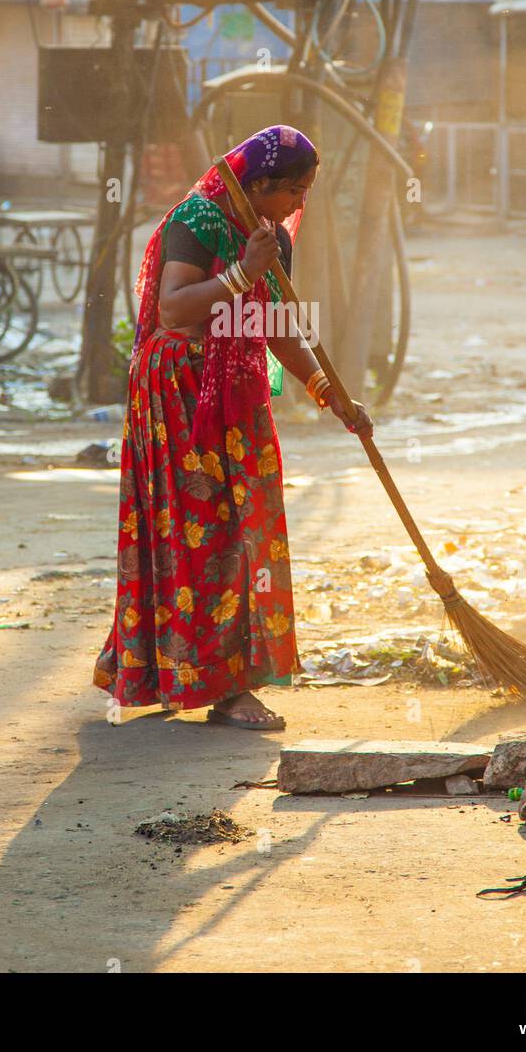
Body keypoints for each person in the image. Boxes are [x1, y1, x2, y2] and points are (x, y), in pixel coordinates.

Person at [93, 125, 373, 730]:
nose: (300, 205)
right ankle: (194, 680)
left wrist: (331, 394)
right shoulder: (195, 219)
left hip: (238, 390)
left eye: (305, 193)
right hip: (180, 395)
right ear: (261, 182)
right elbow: (174, 307)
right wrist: (243, 274)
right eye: (294, 191)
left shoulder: (272, 237)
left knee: (253, 525)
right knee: (198, 531)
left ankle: (233, 679)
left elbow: (275, 326)